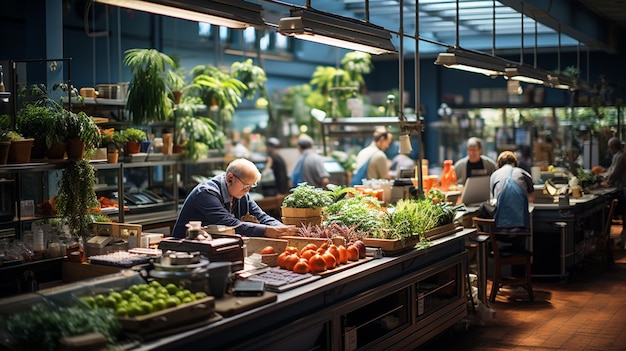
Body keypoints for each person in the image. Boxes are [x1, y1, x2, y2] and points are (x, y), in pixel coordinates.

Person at [172, 158, 296, 238]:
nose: (248, 190)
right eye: (246, 185)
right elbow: (230, 224)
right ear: (230, 178)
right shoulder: (206, 193)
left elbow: (261, 216)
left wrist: (284, 229)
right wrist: (267, 231)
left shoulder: (240, 193)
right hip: (184, 250)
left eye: (251, 186)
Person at [489, 151, 534, 279]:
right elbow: (531, 198)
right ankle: (518, 278)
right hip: (520, 232)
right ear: (515, 163)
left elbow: (493, 199)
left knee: (483, 209)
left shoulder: (494, 175)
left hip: (499, 234)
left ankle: (488, 247)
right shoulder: (524, 173)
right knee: (520, 241)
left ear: (499, 164)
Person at [599, 137, 626, 246]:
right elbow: (610, 170)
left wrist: (606, 180)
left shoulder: (620, 156)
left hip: (622, 190)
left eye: (610, 147)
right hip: (620, 189)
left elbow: (614, 174)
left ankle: (620, 239)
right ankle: (621, 239)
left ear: (613, 147)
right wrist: (603, 174)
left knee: (622, 214)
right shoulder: (617, 156)